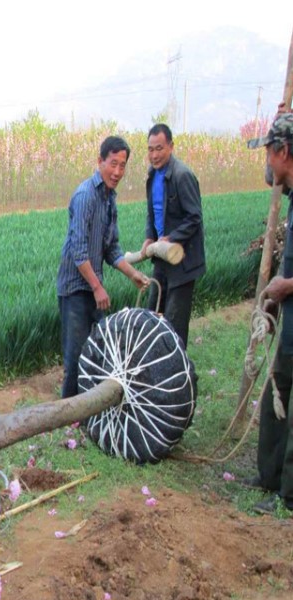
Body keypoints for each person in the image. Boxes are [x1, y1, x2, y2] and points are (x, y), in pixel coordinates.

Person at [56, 135, 150, 399]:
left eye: (122, 166)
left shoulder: (109, 199)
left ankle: (91, 408)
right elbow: (78, 251)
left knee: (99, 349)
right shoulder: (86, 195)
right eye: (113, 164)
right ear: (100, 161)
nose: (117, 171)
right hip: (76, 289)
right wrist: (98, 287)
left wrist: (133, 274)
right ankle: (69, 414)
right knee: (75, 356)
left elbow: (111, 249)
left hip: (93, 286)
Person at [246, 111, 293, 515]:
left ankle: (289, 495)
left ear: (283, 151)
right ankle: (268, 475)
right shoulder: (291, 195)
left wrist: (286, 286)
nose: (266, 163)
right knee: (276, 397)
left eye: (268, 153)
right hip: (290, 318)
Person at [140, 123, 205, 349]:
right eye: (150, 149)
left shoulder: (182, 175)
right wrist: (151, 237)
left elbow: (194, 217)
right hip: (161, 258)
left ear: (171, 147)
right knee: (152, 315)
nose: (154, 155)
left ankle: (176, 375)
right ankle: (153, 367)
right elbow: (152, 213)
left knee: (175, 324)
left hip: (181, 262)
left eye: (159, 148)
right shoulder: (152, 176)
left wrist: (171, 238)